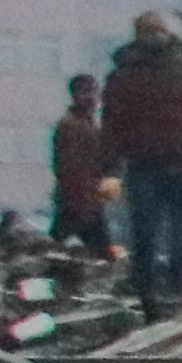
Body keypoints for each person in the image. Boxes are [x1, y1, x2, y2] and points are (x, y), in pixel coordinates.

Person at [104, 13, 182, 302]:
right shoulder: (125, 76)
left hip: (179, 165)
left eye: (157, 30)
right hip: (146, 167)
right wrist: (110, 170)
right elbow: (113, 125)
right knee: (147, 236)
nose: (155, 36)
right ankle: (151, 299)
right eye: (150, 31)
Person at [44, 78, 115, 259]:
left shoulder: (90, 125)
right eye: (85, 92)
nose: (91, 97)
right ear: (74, 95)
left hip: (88, 199)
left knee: (56, 245)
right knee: (98, 252)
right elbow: (68, 167)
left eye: (94, 92)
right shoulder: (71, 127)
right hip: (76, 199)